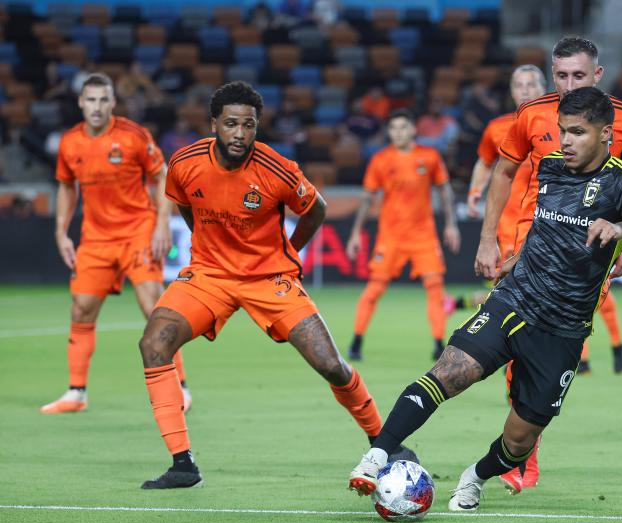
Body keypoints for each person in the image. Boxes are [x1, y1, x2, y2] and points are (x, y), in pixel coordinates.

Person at [347, 87, 622, 512]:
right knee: (451, 370)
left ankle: (474, 476)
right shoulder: (549, 168)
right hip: (515, 300)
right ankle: (377, 456)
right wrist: (514, 255)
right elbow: (541, 220)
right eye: (562, 131)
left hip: (563, 329)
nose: (565, 141)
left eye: (577, 132)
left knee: (520, 439)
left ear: (606, 133)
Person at [136, 82, 414, 489]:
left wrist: (289, 250)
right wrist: (208, 250)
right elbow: (184, 202)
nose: (239, 134)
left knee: (331, 364)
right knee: (154, 344)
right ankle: (183, 465)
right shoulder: (185, 161)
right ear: (214, 123)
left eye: (248, 125)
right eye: (230, 124)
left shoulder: (276, 169)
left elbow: (315, 209)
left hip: (270, 278)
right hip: (209, 275)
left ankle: (384, 443)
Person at [474, 35, 622, 495]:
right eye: (561, 75)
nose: (568, 83)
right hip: (526, 244)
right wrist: (488, 239)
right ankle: (517, 460)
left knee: (539, 352)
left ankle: (520, 458)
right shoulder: (531, 116)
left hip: (584, 255)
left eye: (578, 75)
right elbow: (502, 171)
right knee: (505, 349)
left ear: (597, 75)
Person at [42, 73, 190, 414]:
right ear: (81, 102)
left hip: (137, 230)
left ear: (113, 102)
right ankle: (76, 393)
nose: (96, 107)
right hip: (95, 238)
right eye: (90, 100)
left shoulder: (133, 136)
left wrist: (161, 224)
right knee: (80, 308)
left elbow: (161, 174)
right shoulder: (69, 143)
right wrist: (61, 232)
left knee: (153, 306)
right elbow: (66, 187)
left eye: (103, 100)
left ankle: (180, 387)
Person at [345, 109, 460, 362]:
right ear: (389, 132)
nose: (398, 132)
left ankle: (439, 345)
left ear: (413, 130)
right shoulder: (381, 160)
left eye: (403, 127)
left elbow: (444, 190)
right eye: (394, 128)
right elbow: (367, 199)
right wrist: (355, 234)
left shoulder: (429, 156)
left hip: (423, 236)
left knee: (435, 288)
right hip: (391, 237)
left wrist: (451, 224)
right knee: (374, 290)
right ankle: (355, 342)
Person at [453, 64, 547, 310]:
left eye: (531, 85)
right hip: (510, 225)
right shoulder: (497, 128)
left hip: (549, 220)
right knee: (513, 291)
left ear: (543, 89)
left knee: (542, 290)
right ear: (512, 91)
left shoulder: (561, 125)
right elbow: (485, 163)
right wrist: (475, 192)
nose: (525, 91)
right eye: (519, 85)